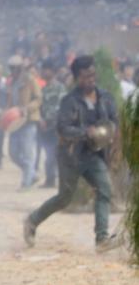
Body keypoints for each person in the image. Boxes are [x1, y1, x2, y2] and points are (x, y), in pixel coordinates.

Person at [25, 55, 118, 251]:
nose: (90, 80)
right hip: (71, 156)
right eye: (85, 76)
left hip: (93, 155)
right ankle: (32, 221)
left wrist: (110, 133)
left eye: (92, 75)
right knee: (64, 198)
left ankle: (101, 239)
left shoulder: (105, 97)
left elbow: (113, 120)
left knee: (104, 189)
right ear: (77, 78)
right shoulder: (70, 101)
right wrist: (87, 132)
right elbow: (63, 128)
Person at [5, 55, 42, 189]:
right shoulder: (11, 82)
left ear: (21, 68)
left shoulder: (30, 80)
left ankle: (26, 183)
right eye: (10, 68)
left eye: (15, 68)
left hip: (28, 121)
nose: (12, 70)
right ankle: (31, 173)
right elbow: (10, 101)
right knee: (13, 153)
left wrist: (26, 108)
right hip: (15, 122)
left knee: (27, 153)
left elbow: (38, 99)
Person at [38, 62, 66, 188]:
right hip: (44, 127)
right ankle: (50, 180)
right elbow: (40, 107)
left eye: (46, 70)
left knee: (56, 154)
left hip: (56, 126)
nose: (44, 72)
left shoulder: (60, 88)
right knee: (48, 154)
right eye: (43, 70)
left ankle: (61, 180)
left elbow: (61, 107)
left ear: (53, 72)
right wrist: (41, 119)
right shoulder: (42, 90)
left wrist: (51, 120)